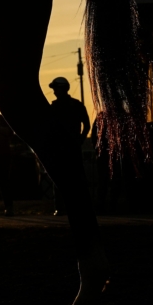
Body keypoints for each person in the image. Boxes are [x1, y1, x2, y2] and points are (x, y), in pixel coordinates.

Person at [49, 76, 91, 216]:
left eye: (55, 88)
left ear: (62, 89)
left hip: (61, 147)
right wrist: (80, 139)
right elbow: (87, 125)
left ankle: (60, 208)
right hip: (69, 146)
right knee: (76, 178)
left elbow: (86, 125)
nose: (54, 91)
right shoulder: (76, 105)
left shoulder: (55, 107)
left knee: (61, 178)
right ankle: (78, 207)